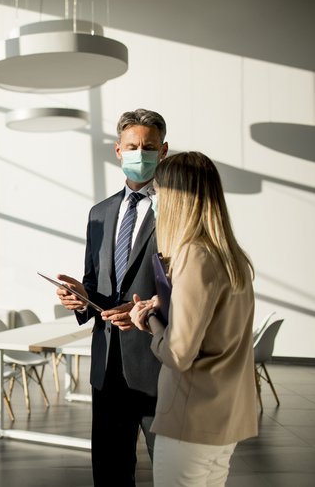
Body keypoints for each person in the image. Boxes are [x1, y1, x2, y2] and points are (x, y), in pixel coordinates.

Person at [129, 152, 257, 486]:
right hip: (225, 419)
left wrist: (151, 323)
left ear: (177, 197)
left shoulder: (193, 254)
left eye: (159, 192)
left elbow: (177, 355)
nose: (156, 200)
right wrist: (169, 305)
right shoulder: (231, 256)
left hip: (191, 418)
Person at [56, 109, 168, 486]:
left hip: (160, 361)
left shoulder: (177, 210)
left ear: (163, 150)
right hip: (107, 367)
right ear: (117, 150)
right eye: (133, 146)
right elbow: (95, 281)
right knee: (110, 473)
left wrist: (147, 310)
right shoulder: (99, 214)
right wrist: (81, 296)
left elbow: (187, 287)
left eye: (149, 147)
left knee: (173, 472)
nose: (140, 153)